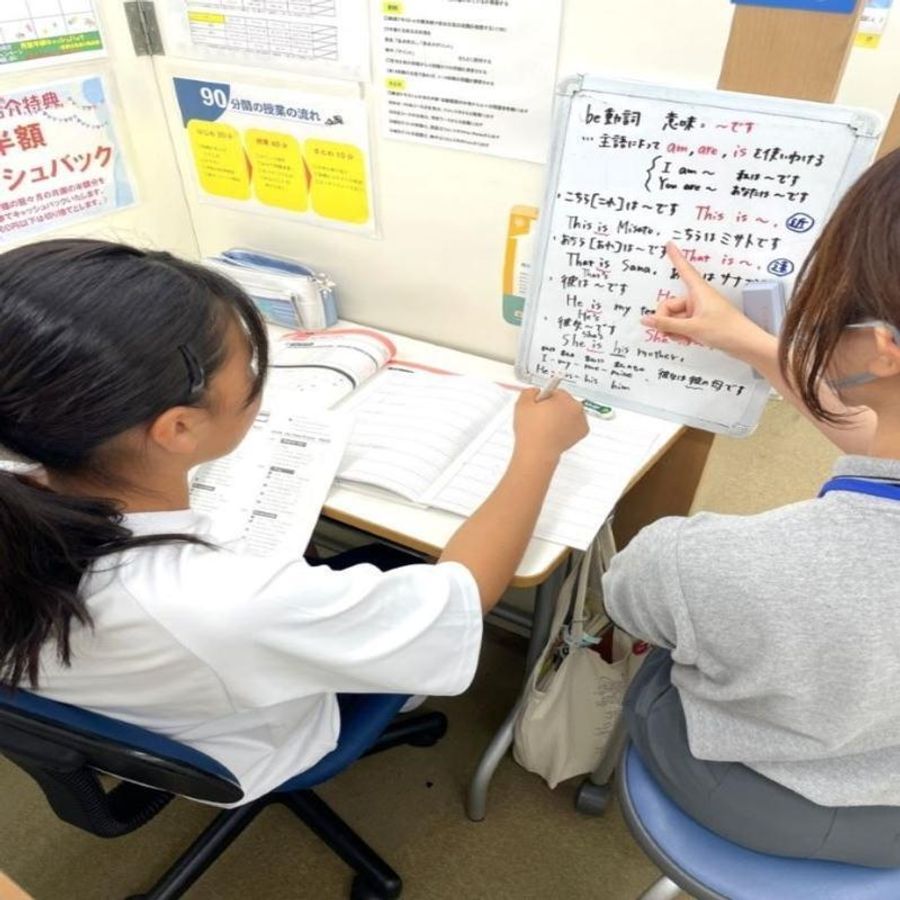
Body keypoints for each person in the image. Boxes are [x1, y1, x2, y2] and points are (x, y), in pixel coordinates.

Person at [0, 238, 588, 805]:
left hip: (130, 702)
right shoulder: (222, 602)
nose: (259, 378)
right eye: (252, 367)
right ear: (178, 428)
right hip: (251, 741)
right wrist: (539, 451)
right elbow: (464, 594)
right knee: (400, 566)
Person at [604, 147, 900, 867]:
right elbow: (870, 436)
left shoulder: (711, 561)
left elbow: (626, 599)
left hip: (749, 796)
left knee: (666, 661)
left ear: (882, 347)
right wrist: (738, 337)